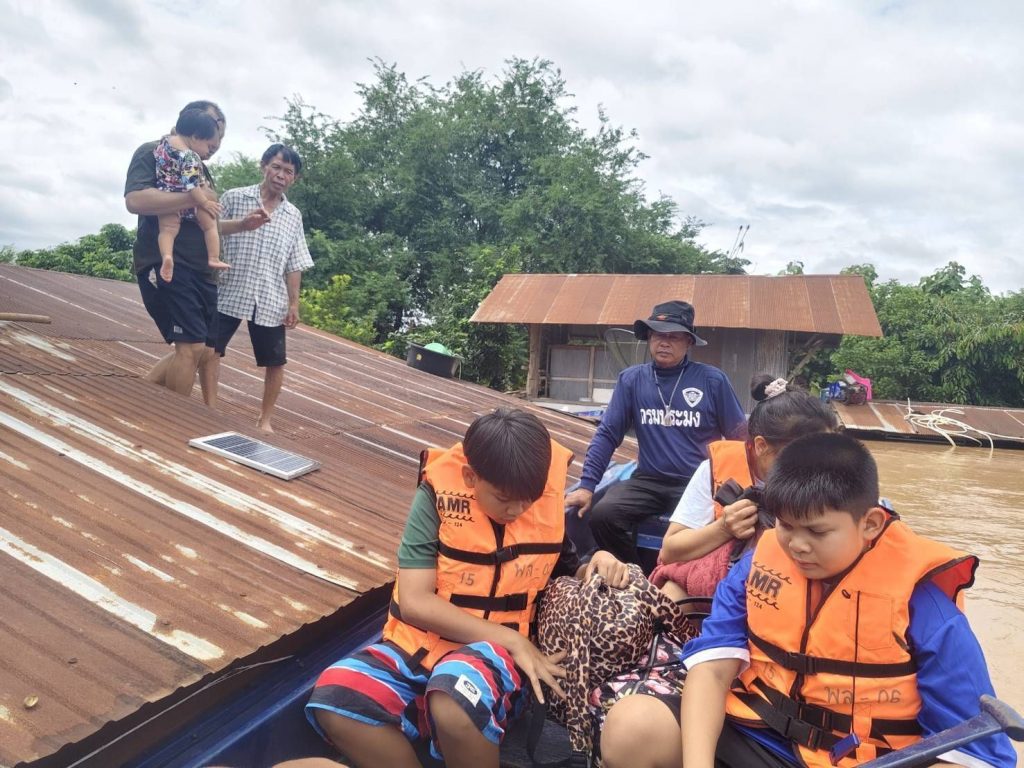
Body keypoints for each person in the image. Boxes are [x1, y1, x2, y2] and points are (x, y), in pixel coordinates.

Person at [600, 432, 1015, 768]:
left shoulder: (923, 602)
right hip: (759, 734)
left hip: (871, 757)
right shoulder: (758, 563)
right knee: (630, 727)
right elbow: (711, 671)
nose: (797, 546)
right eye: (785, 525)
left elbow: (977, 750)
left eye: (817, 532)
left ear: (870, 523)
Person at [304, 408, 629, 768]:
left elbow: (570, 567)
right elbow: (414, 601)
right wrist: (512, 639)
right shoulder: (436, 498)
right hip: (420, 648)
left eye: (529, 498)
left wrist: (598, 561)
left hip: (501, 664)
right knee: (336, 696)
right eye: (504, 498)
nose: (518, 509)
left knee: (454, 694)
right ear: (470, 477)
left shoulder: (538, 501)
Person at [564, 300, 747, 564]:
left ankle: (685, 576)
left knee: (722, 529)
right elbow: (607, 434)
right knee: (603, 515)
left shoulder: (712, 380)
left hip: (697, 483)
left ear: (689, 342)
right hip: (649, 481)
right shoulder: (632, 380)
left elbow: (739, 439)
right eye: (658, 334)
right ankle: (636, 573)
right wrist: (587, 486)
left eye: (674, 337)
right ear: (649, 338)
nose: (664, 342)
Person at [124, 101, 269, 404]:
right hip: (169, 263)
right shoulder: (153, 152)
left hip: (203, 270)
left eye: (221, 136)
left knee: (203, 350)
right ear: (192, 126)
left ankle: (141, 395)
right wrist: (194, 197)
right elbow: (136, 200)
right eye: (213, 132)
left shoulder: (199, 165)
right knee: (189, 347)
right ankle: (175, 418)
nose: (216, 143)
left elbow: (204, 222)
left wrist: (241, 225)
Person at [652, 375, 838, 607]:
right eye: (803, 455)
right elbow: (670, 551)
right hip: (722, 579)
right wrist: (724, 528)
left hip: (785, 586)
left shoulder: (834, 475)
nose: (817, 465)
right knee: (669, 598)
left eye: (827, 451)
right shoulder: (717, 467)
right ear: (761, 446)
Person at [212, 144, 312, 433]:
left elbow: (295, 262)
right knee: (210, 350)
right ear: (264, 166)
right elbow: (209, 229)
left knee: (275, 362)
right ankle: (210, 406)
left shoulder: (293, 215)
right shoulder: (235, 197)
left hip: (269, 296)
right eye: (276, 167)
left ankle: (265, 419)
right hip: (229, 287)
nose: (281, 175)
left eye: (288, 172)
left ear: (294, 178)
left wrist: (294, 304)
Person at [153, 108, 229, 282]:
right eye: (208, 146)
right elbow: (191, 185)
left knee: (167, 230)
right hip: (192, 200)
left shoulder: (164, 144)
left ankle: (167, 256)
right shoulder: (190, 157)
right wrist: (205, 203)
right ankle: (214, 257)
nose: (208, 151)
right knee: (210, 225)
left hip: (167, 196)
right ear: (195, 137)